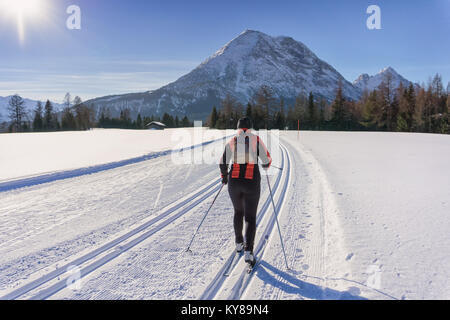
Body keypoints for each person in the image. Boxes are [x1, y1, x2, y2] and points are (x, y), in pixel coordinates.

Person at [219, 117, 272, 267]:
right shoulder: (256, 139)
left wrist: (224, 177)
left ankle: (238, 244)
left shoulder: (233, 141)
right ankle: (249, 252)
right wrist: (265, 165)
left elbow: (222, 161)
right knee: (250, 217)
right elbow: (267, 160)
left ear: (238, 128)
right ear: (251, 128)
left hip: (234, 183)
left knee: (238, 212)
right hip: (251, 182)